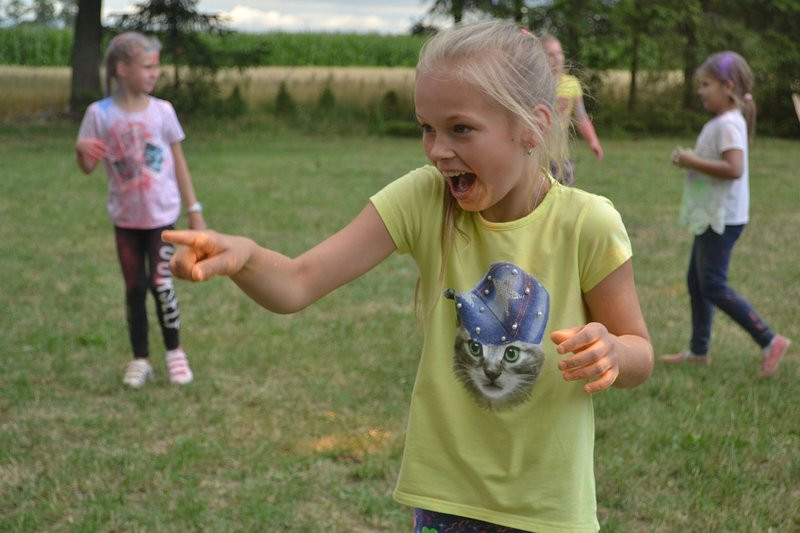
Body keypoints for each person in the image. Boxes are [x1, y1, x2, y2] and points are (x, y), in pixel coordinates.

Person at [164, 20, 653, 532]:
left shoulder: (588, 223)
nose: (438, 150)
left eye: (460, 128)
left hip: (548, 512)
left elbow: (640, 352)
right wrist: (245, 257)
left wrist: (615, 353)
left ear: (531, 126)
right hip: (445, 502)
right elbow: (297, 282)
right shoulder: (425, 198)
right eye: (427, 128)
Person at [76, 31, 206, 389]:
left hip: (162, 219)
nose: (154, 74)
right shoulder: (98, 114)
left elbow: (179, 163)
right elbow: (87, 167)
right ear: (122, 69)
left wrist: (194, 210)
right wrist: (81, 151)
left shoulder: (163, 112)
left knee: (161, 284)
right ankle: (140, 359)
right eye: (147, 67)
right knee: (134, 287)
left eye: (156, 68)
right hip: (126, 221)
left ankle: (175, 353)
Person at [661, 51, 791, 376]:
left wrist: (691, 161)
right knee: (697, 282)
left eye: (706, 84)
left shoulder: (729, 124)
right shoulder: (726, 122)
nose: (701, 91)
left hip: (723, 217)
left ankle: (769, 340)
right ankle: (698, 351)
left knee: (713, 285)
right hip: (713, 214)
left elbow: (734, 169)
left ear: (727, 86)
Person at [540, 34, 603, 186]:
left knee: (566, 198)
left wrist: (593, 140)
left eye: (560, 53)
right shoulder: (534, 85)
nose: (558, 58)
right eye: (551, 54)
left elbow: (581, 117)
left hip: (561, 158)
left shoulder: (572, 84)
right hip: (538, 159)